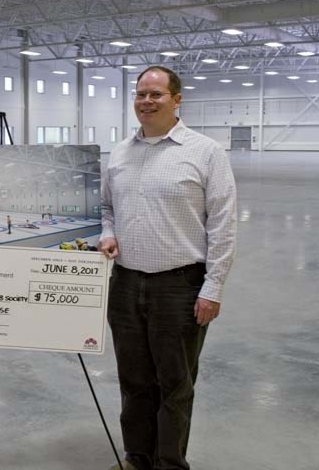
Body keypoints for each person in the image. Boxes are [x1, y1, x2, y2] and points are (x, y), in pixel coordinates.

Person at [99, 66, 236, 470]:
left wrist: (213, 287)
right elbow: (107, 208)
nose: (146, 101)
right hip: (125, 283)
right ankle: (137, 458)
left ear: (177, 100)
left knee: (174, 384)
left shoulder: (206, 152)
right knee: (134, 381)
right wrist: (108, 232)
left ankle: (170, 463)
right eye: (140, 94)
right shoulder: (120, 152)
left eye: (156, 94)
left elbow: (222, 224)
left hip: (179, 287)